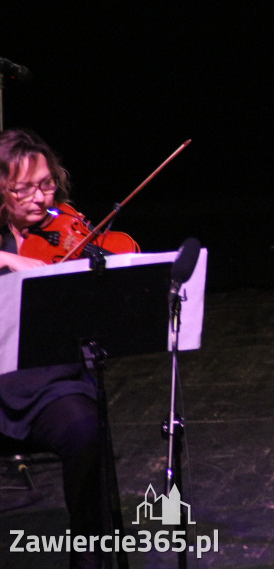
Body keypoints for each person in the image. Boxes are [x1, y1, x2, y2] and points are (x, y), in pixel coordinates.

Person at [0, 128, 106, 569]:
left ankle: (89, 553)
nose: (41, 198)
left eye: (46, 184)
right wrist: (7, 259)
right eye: (24, 188)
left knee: (83, 427)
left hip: (50, 383)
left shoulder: (66, 231)